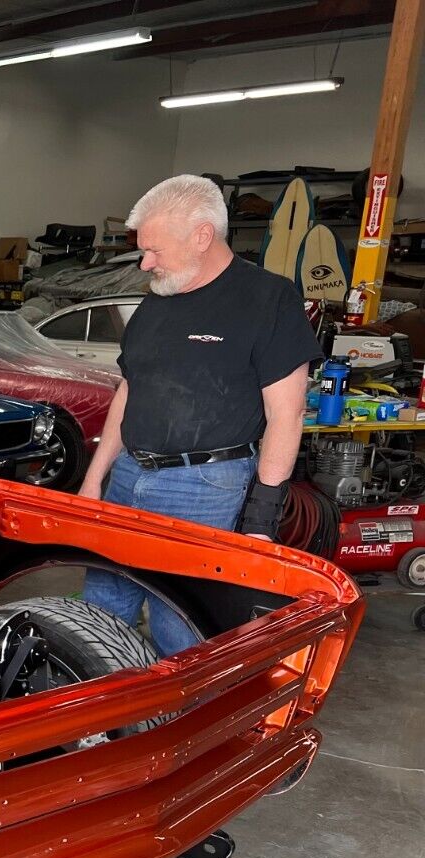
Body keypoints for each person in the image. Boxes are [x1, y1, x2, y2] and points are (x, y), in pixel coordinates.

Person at [78, 174, 320, 656]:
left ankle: (187, 724)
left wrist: (261, 518)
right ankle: (103, 721)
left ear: (202, 236)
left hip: (204, 487)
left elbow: (286, 416)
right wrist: (94, 480)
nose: (145, 263)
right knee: (101, 609)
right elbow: (130, 390)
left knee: (181, 621)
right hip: (129, 475)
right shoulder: (157, 299)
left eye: (154, 251)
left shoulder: (268, 300)